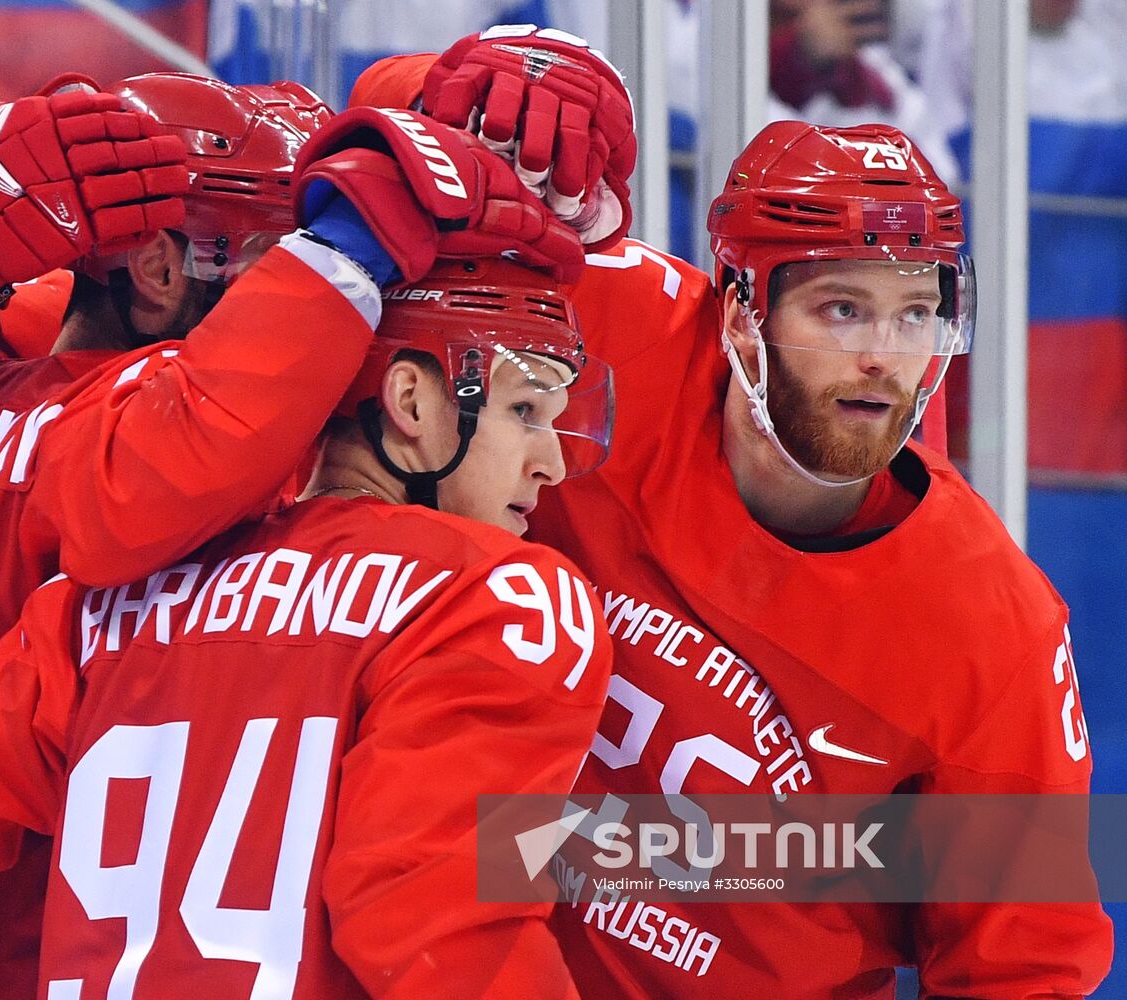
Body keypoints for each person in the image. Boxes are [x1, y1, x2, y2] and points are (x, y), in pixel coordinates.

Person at [352, 36, 1112, 995]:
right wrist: (479, 88)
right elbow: (380, 151)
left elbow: (1029, 967)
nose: (885, 355)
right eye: (840, 309)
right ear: (740, 314)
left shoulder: (994, 629)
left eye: (915, 314)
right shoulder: (608, 327)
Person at [0, 75, 580, 997]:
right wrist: (787, 863)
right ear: (164, 271)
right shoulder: (165, 474)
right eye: (278, 264)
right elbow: (434, 900)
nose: (342, 307)